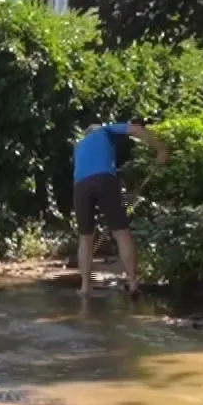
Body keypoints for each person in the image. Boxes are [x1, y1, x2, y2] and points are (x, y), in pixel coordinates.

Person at [72, 118, 168, 298]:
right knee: (121, 231)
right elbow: (135, 129)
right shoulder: (105, 130)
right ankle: (132, 283)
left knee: (85, 237)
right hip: (104, 180)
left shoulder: (79, 146)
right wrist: (160, 149)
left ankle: (85, 287)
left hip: (80, 186)